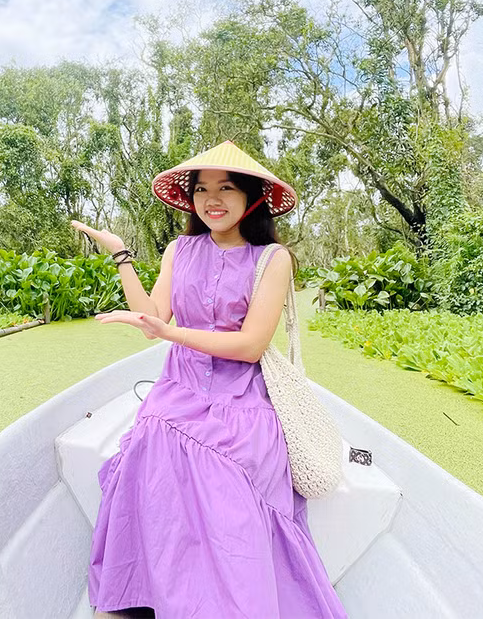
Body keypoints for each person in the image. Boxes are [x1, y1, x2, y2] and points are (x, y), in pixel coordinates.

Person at [71, 141, 348, 619]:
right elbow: (152, 315)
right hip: (177, 389)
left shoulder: (272, 258)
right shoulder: (181, 249)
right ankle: (141, 594)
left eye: (226, 188)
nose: (211, 200)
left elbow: (250, 346)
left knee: (228, 476)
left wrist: (170, 332)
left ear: (252, 198)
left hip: (242, 398)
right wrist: (120, 255)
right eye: (201, 189)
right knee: (149, 444)